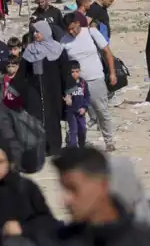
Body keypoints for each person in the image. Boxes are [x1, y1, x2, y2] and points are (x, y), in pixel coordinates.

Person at [61, 13, 117, 152]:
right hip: (75, 84)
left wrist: (112, 72)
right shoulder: (64, 41)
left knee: (101, 111)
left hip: (95, 79)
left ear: (78, 23)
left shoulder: (91, 32)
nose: (72, 32)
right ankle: (76, 142)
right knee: (74, 113)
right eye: (69, 30)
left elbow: (107, 52)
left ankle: (109, 141)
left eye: (73, 28)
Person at [13, 22, 68, 156]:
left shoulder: (58, 49)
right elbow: (22, 72)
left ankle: (54, 147)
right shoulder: (30, 49)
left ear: (46, 32)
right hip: (34, 90)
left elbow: (65, 72)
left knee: (52, 119)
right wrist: (14, 88)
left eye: (38, 32)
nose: (36, 34)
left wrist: (68, 91)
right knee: (35, 118)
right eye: (34, 32)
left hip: (53, 90)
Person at [63, 60, 91, 146]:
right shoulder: (67, 83)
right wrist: (66, 99)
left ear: (80, 71)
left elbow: (87, 97)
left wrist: (84, 107)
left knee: (82, 130)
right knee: (73, 131)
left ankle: (82, 147)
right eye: (72, 72)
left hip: (81, 112)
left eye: (77, 72)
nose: (75, 74)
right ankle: (73, 149)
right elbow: (64, 96)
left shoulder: (83, 83)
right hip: (71, 112)